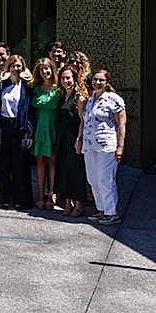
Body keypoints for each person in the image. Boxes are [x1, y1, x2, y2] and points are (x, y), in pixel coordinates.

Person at [79, 70, 127, 225]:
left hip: (106, 146)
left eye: (101, 80)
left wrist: (120, 147)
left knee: (105, 179)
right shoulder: (90, 99)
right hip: (90, 145)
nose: (97, 83)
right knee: (92, 179)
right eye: (95, 80)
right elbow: (85, 121)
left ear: (107, 82)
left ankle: (111, 212)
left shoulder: (114, 99)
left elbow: (121, 124)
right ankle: (101, 209)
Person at [0, 54, 32, 211]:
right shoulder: (1, 85)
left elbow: (30, 112)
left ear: (23, 68)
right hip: (3, 126)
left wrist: (29, 133)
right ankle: (4, 199)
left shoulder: (27, 88)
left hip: (20, 127)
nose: (16, 68)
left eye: (19, 65)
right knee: (4, 163)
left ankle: (21, 200)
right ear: (9, 67)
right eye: (13, 65)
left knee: (20, 164)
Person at [53, 67, 88, 217]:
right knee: (64, 170)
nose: (65, 81)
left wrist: (79, 140)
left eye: (68, 78)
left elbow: (83, 121)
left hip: (74, 138)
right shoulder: (62, 97)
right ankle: (67, 203)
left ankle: (79, 205)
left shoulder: (79, 98)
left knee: (76, 172)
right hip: (62, 138)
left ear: (74, 80)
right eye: (63, 78)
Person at [30, 58, 60, 210]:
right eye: (42, 69)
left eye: (47, 69)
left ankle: (51, 194)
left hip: (53, 129)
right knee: (40, 163)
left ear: (52, 69)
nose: (45, 72)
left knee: (53, 163)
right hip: (39, 130)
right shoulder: (35, 88)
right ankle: (40, 195)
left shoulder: (59, 89)